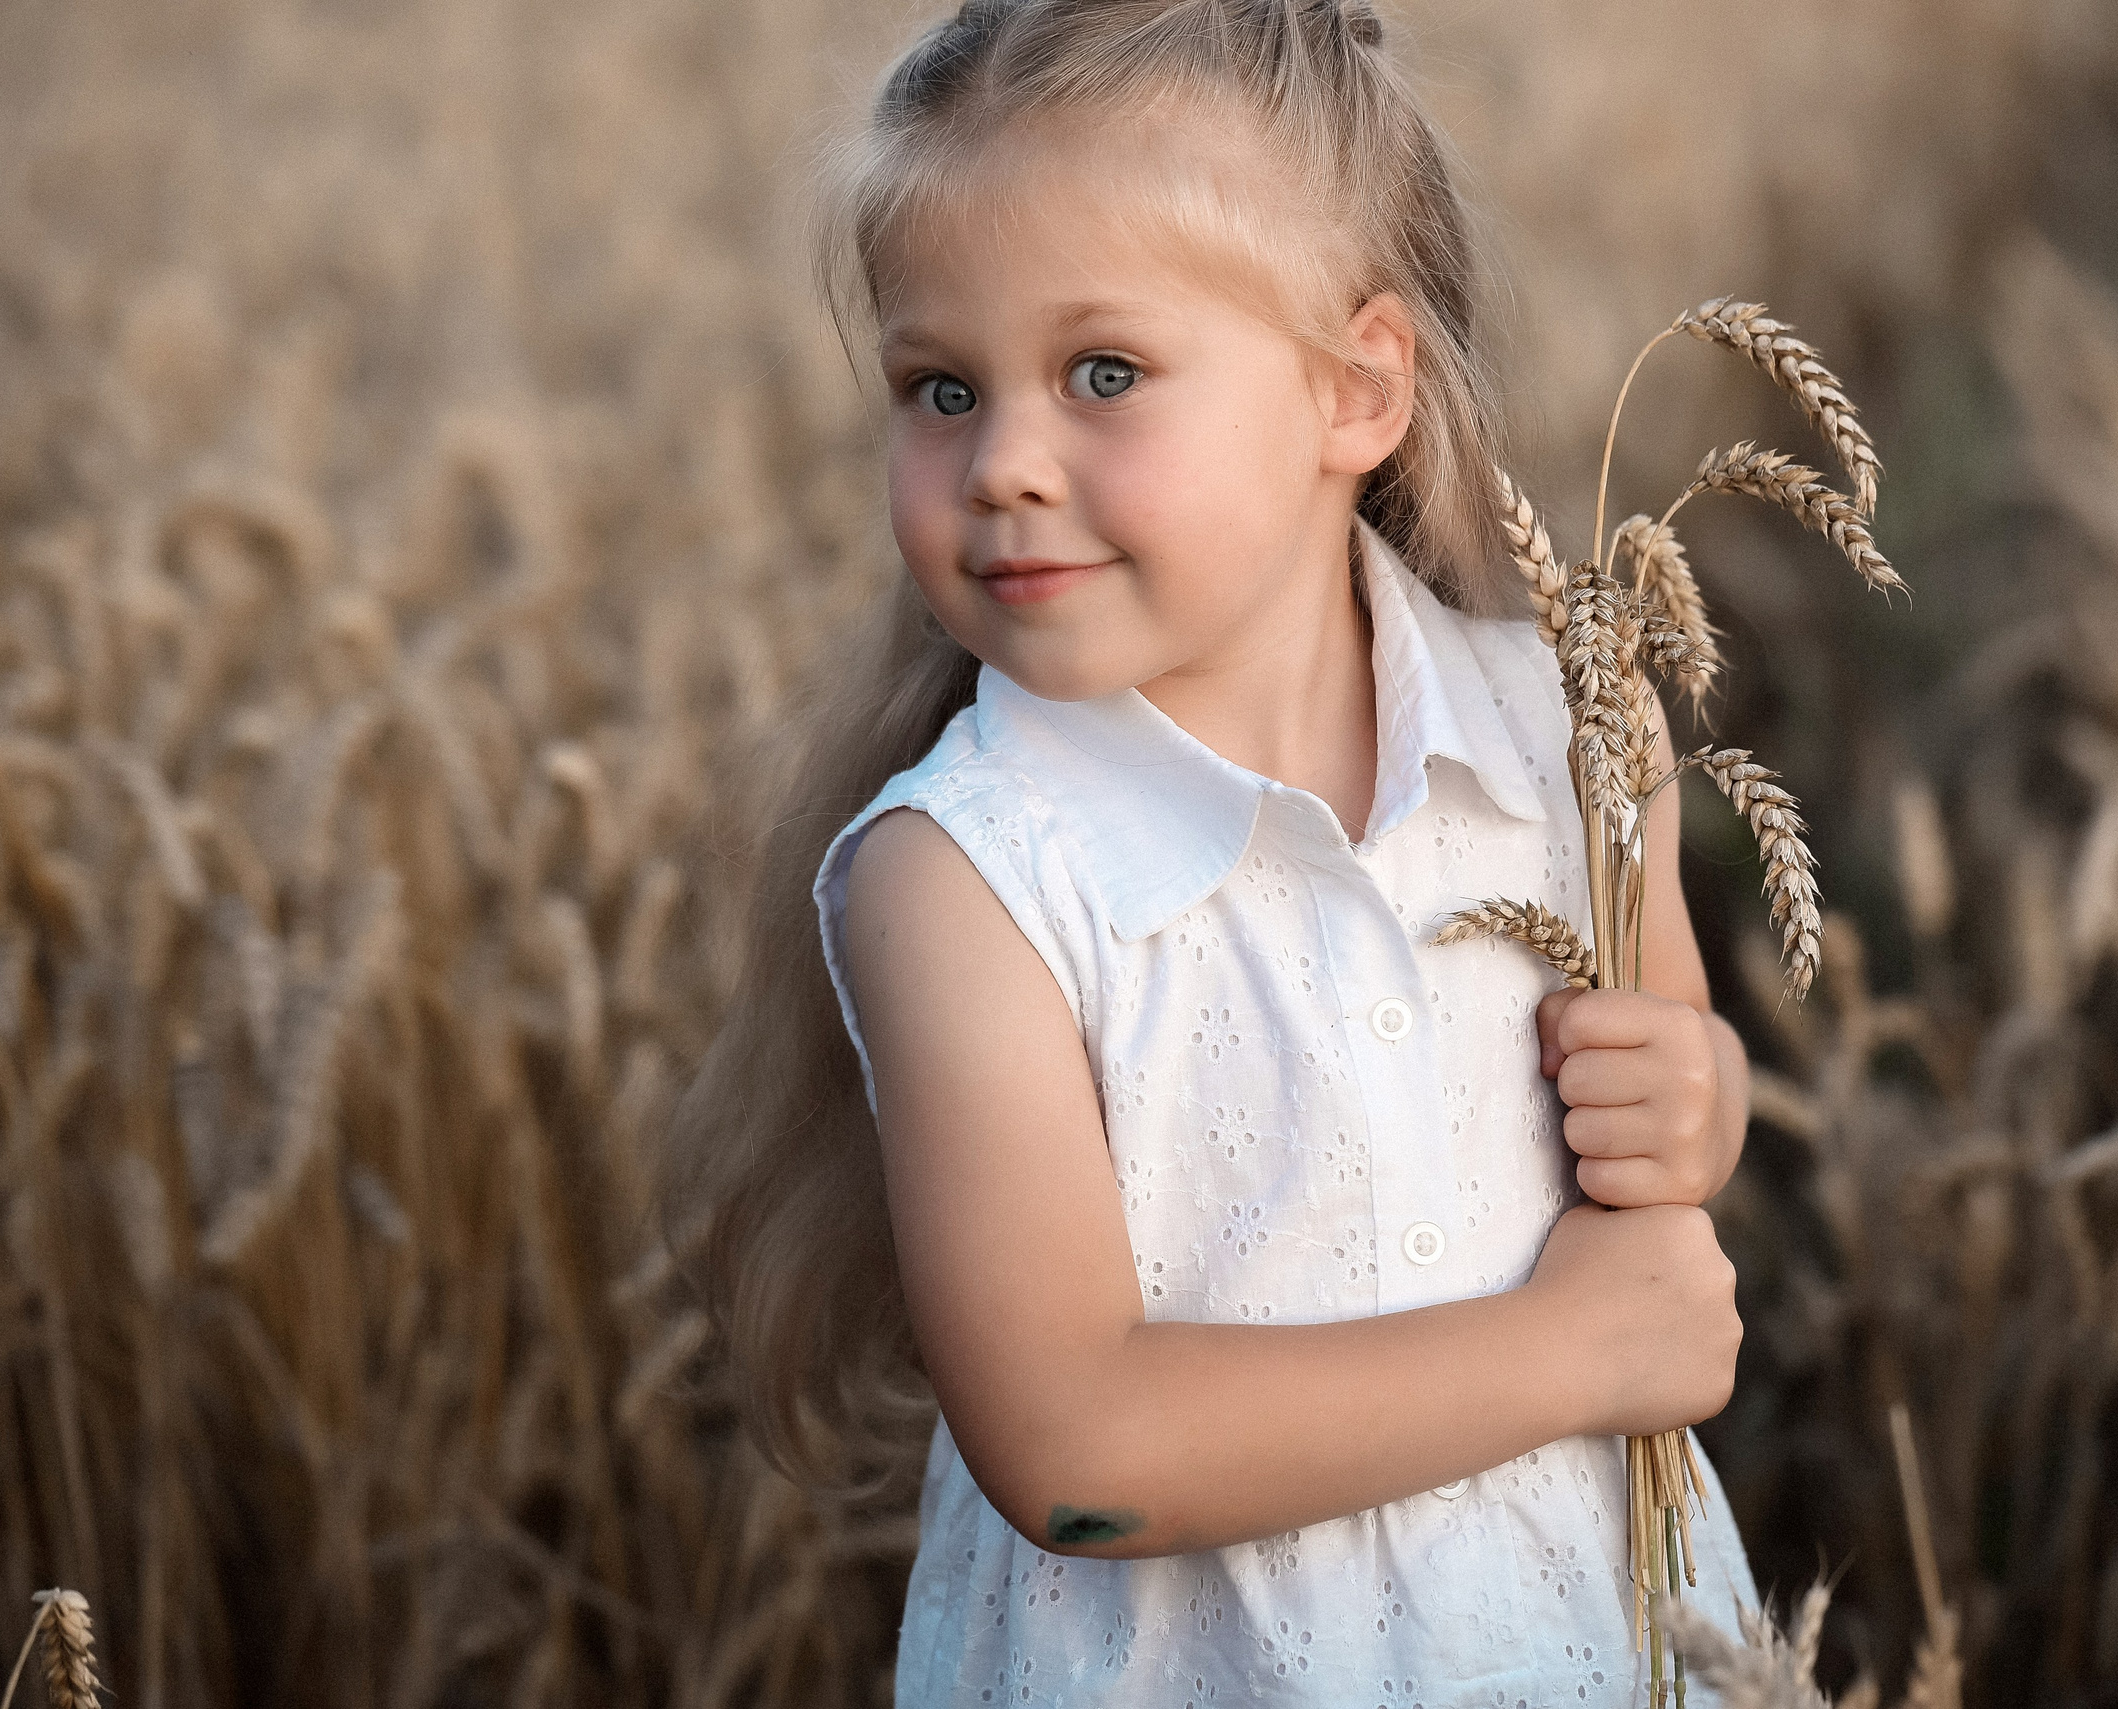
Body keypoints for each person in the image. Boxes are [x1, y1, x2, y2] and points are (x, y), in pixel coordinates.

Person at [671, 2, 1759, 1701]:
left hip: (1580, 1637)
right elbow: (1078, 1447)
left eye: (1102, 373)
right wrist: (1575, 1351)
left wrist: (1698, 1093)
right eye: (939, 388)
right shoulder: (966, 879)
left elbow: (1669, 1119)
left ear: (1355, 389)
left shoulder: (1570, 734)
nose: (1006, 465)